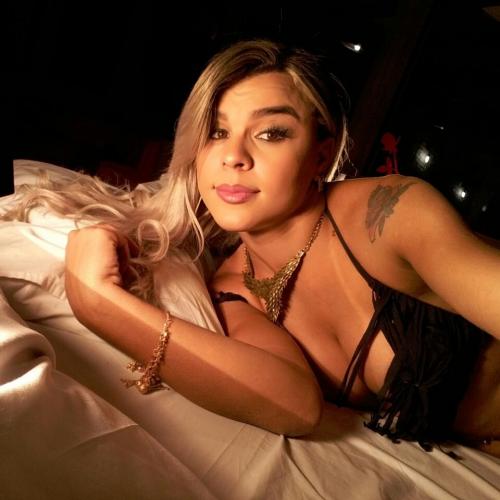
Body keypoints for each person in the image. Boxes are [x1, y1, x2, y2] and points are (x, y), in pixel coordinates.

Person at [6, 39, 500, 456]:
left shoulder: (386, 216)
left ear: (321, 155)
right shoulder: (234, 287)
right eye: (216, 132)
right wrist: (96, 299)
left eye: (271, 133)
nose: (234, 156)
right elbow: (294, 406)